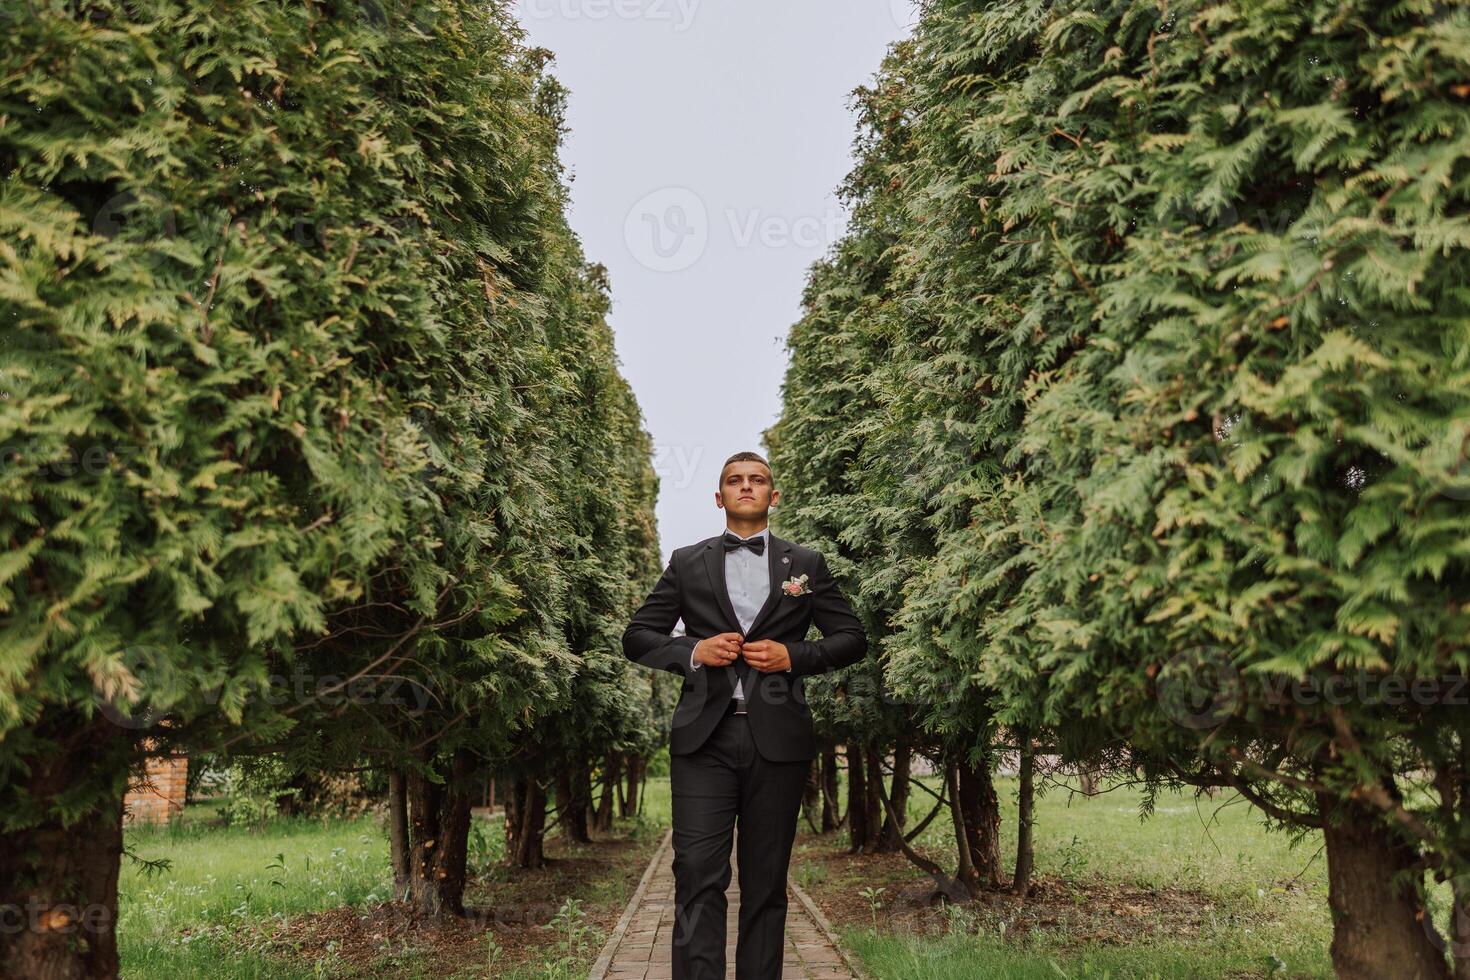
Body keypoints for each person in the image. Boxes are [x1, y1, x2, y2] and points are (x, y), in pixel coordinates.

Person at [622, 450, 867, 980]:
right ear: (720, 497)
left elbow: (852, 638)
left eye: (757, 480)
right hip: (702, 743)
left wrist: (793, 656)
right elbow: (637, 637)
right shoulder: (688, 561)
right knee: (697, 877)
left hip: (777, 743)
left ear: (773, 496)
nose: (747, 487)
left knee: (765, 883)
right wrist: (692, 650)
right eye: (735, 480)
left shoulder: (806, 564)